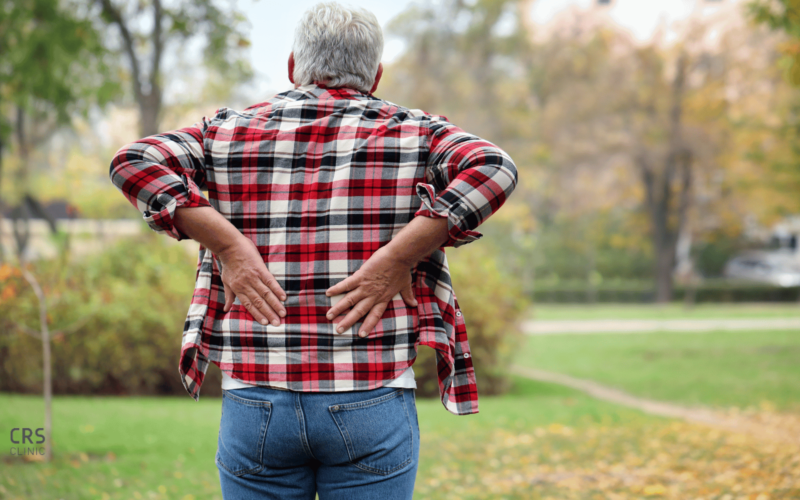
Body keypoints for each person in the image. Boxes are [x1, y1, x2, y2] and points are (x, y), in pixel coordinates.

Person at [109, 2, 517, 498]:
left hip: (256, 400)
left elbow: (134, 161)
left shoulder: (225, 132)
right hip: (371, 392)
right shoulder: (418, 135)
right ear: (376, 75)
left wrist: (227, 243)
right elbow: (495, 168)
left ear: (291, 66)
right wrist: (399, 256)